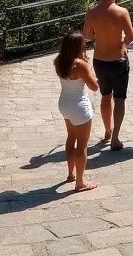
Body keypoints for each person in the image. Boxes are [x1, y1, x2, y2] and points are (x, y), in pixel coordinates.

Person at [83, 0, 133, 151]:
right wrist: (124, 45)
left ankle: (107, 130)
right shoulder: (121, 12)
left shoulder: (91, 13)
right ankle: (115, 137)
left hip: (100, 60)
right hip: (118, 60)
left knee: (105, 96)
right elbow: (130, 35)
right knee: (119, 98)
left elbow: (88, 36)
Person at [54, 30, 99, 192]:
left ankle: (70, 174)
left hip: (64, 104)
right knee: (82, 145)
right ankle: (80, 182)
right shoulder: (81, 64)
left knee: (70, 138)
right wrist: (89, 67)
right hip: (79, 107)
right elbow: (94, 87)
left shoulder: (59, 61)